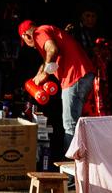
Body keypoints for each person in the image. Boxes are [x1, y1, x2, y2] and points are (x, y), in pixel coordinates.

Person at [19, 18, 95, 149]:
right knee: (78, 122)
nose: (29, 46)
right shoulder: (48, 31)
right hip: (83, 75)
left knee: (70, 124)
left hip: (74, 76)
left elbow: (52, 50)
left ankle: (70, 160)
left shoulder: (39, 32)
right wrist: (38, 75)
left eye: (25, 42)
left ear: (26, 36)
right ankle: (82, 156)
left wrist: (45, 73)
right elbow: (47, 59)